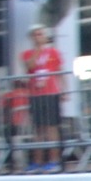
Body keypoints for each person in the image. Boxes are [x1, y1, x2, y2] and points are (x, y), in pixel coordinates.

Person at [18, 22, 66, 170]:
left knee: (52, 127)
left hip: (51, 92)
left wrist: (63, 90)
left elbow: (60, 73)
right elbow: (30, 67)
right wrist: (38, 50)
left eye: (40, 34)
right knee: (38, 129)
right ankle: (37, 161)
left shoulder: (54, 53)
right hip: (36, 94)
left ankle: (54, 160)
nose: (38, 37)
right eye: (35, 35)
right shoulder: (26, 54)